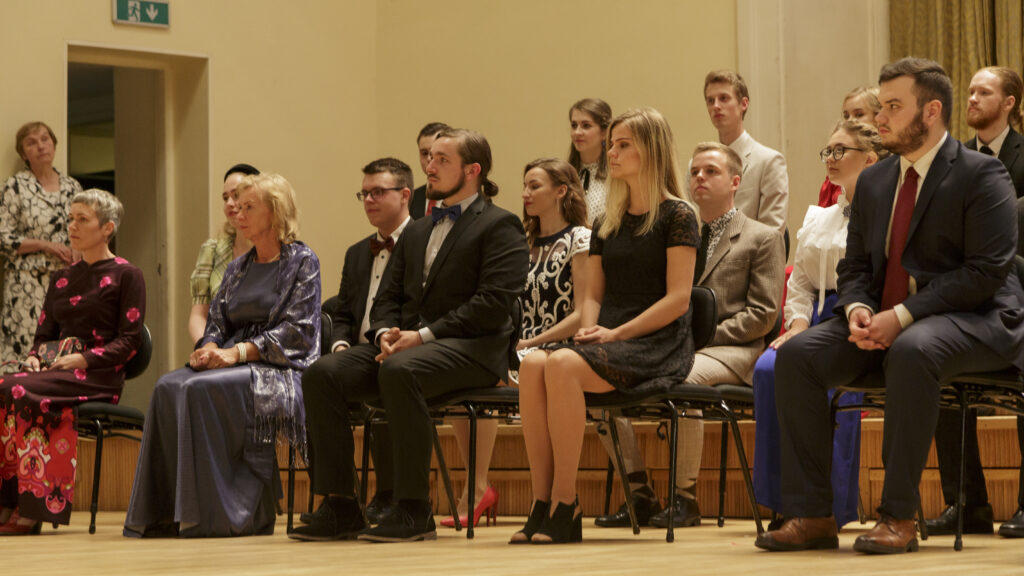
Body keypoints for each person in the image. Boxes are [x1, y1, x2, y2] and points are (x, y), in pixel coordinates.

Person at [756, 57, 1024, 555]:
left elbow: (984, 273)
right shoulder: (876, 181)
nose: (880, 118)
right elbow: (855, 267)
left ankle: (898, 516)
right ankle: (813, 513)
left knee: (912, 349)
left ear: (931, 112)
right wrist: (857, 307)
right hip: (886, 319)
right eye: (881, 106)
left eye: (894, 107)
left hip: (977, 317)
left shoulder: (982, 173)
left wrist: (900, 316)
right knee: (796, 356)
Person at [292, 128, 528, 543]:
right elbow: (387, 297)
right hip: (412, 349)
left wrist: (422, 336)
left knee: (401, 370)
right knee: (322, 373)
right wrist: (384, 332)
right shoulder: (418, 230)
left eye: (442, 160)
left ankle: (414, 509)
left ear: (472, 171)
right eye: (430, 158)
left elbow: (491, 305)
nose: (430, 167)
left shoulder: (500, 224)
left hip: (474, 349)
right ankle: (341, 505)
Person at [513, 108, 698, 544]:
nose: (610, 153)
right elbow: (592, 296)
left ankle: (566, 502)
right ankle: (542, 501)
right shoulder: (607, 221)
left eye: (622, 145)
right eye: (611, 144)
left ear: (650, 150)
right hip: (607, 337)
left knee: (561, 365)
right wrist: (589, 331)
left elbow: (678, 300)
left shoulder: (678, 215)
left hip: (655, 341)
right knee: (534, 364)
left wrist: (614, 334)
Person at [124, 173, 320, 538]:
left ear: (275, 212)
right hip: (233, 357)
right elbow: (216, 321)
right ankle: (165, 514)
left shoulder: (302, 261)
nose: (238, 215)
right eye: (237, 207)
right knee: (167, 386)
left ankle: (223, 515)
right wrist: (211, 347)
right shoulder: (238, 267)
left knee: (198, 389)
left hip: (277, 366)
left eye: (249, 208)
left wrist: (238, 353)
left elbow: (298, 331)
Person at [753, 120, 888, 528]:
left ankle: (830, 504)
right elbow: (800, 283)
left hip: (861, 317)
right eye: (827, 151)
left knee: (823, 376)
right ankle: (782, 499)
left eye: (840, 150)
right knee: (767, 368)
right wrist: (796, 324)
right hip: (814, 319)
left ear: (870, 159)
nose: (830, 158)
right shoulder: (819, 218)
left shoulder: (885, 215)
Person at [0, 188, 144, 533]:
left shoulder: (128, 274)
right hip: (56, 370)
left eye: (82, 219)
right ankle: (8, 501)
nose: (72, 226)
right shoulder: (61, 277)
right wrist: (34, 359)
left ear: (107, 228)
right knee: (6, 384)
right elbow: (42, 336)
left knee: (19, 390)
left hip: (98, 374)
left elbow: (130, 342)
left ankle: (33, 508)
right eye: (70, 219)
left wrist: (82, 359)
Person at [927, 65, 1024, 539]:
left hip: (1019, 295)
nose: (971, 98)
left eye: (983, 92)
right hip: (967, 296)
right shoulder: (954, 161)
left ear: (1009, 102)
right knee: (935, 359)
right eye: (968, 91)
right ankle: (966, 504)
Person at [304, 158, 414, 528]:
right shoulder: (356, 252)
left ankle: (392, 494)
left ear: (405, 195)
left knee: (390, 373)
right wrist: (339, 345)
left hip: (407, 346)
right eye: (364, 193)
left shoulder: (423, 242)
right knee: (319, 374)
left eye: (378, 192)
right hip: (361, 351)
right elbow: (344, 312)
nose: (368, 200)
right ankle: (340, 501)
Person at [1, 122, 83, 364]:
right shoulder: (15, 187)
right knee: (27, 350)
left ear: (54, 145)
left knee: (63, 347)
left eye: (45, 139)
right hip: (26, 283)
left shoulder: (73, 187)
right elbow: (3, 237)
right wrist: (45, 245)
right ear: (23, 154)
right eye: (32, 143)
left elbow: (87, 228)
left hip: (67, 280)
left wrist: (78, 251)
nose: (40, 146)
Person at [703, 70, 788, 233]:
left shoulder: (769, 162)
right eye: (710, 101)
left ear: (743, 104)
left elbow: (772, 235)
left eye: (723, 98)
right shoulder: (697, 166)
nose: (716, 106)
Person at [188, 163, 259, 344]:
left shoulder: (272, 252)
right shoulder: (212, 250)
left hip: (256, 348)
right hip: (217, 345)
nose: (229, 204)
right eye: (225, 198)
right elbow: (198, 315)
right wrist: (207, 347)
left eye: (236, 195)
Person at [819, 87, 881, 207]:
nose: (850, 121)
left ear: (879, 117)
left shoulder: (893, 167)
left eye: (859, 114)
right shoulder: (835, 178)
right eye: (846, 116)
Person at [567, 98, 613, 225]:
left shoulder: (616, 175)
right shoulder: (565, 175)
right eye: (574, 125)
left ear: (604, 132)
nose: (577, 132)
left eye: (586, 126)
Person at [410, 122, 450, 219]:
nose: (429, 158)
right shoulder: (409, 199)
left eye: (436, 152)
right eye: (424, 153)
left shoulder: (463, 197)